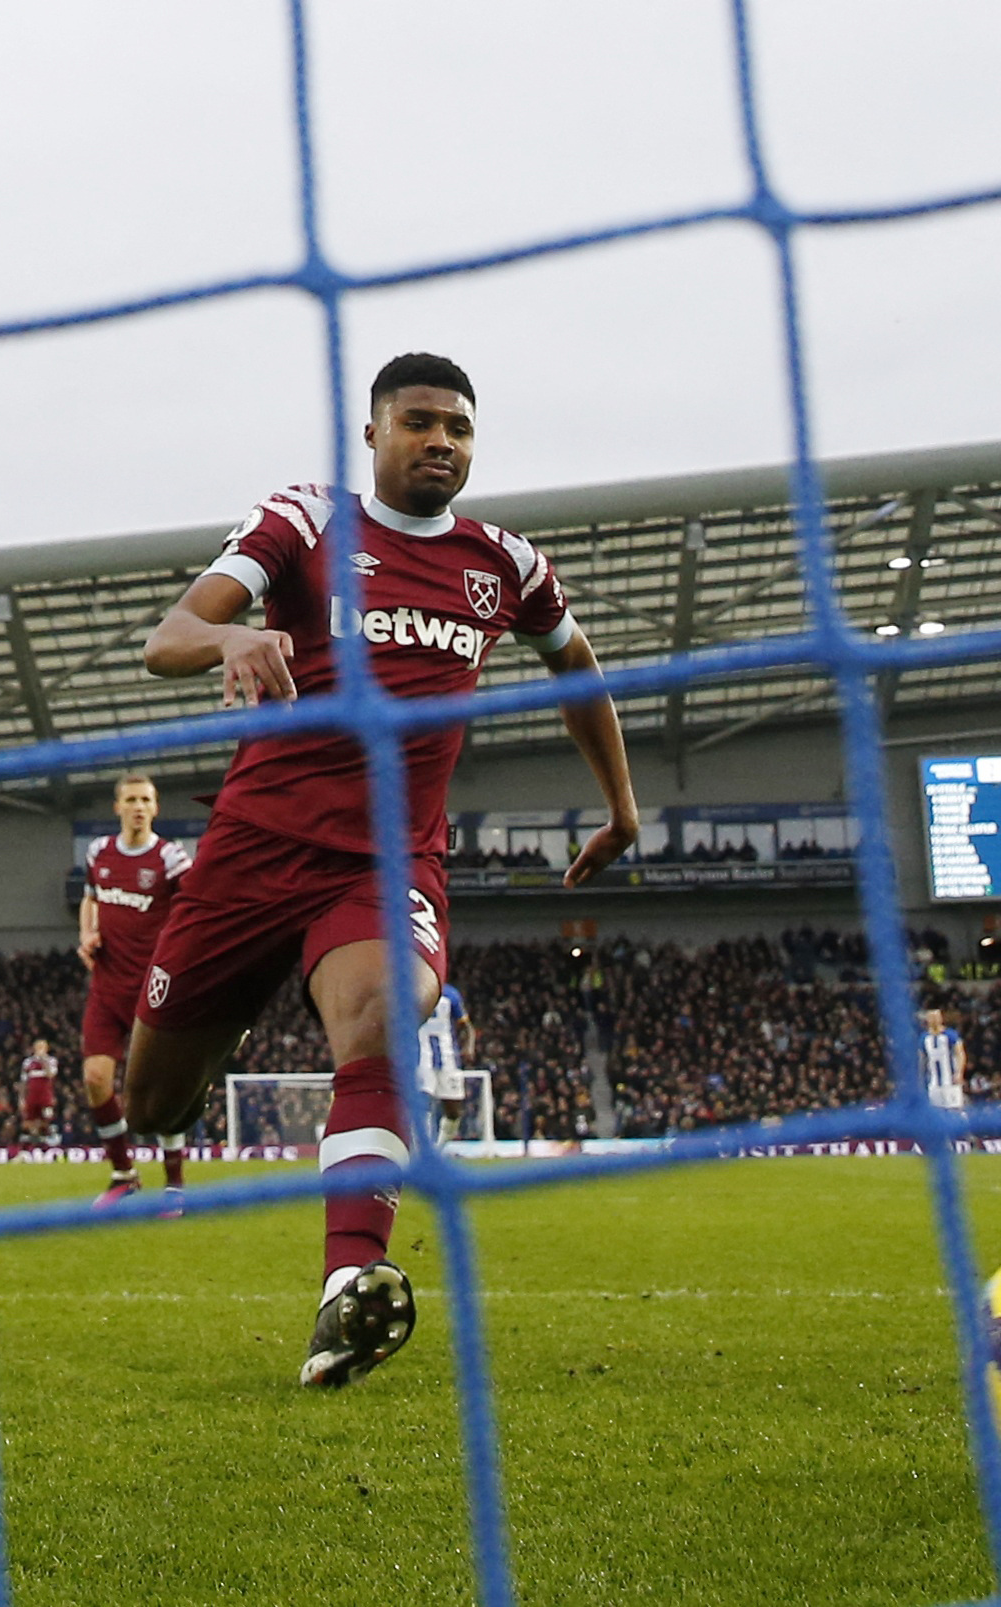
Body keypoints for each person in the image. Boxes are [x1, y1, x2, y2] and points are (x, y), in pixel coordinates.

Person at [124, 352, 640, 1388]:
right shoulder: (309, 522)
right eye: (419, 422)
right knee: (153, 1104)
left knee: (385, 1015)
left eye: (458, 426)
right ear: (374, 435)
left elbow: (576, 668)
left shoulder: (507, 564)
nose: (441, 440)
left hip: (386, 861)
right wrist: (228, 638)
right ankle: (240, 1016)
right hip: (250, 854)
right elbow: (167, 635)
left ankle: (348, 1290)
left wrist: (622, 805)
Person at [78, 773, 193, 1209]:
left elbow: (192, 910)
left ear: (156, 807)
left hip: (153, 989)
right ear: (118, 807)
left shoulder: (170, 857)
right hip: (107, 986)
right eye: (131, 799)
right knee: (95, 1079)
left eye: (146, 799)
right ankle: (123, 1174)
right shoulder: (99, 853)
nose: (139, 806)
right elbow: (91, 898)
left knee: (160, 1089)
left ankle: (174, 1185)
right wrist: (88, 933)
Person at [418, 981, 477, 1145]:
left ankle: (438, 1149)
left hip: (449, 1058)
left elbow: (467, 1026)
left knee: (453, 1112)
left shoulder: (450, 994)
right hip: (421, 1059)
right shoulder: (411, 991)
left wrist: (469, 1046)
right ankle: (423, 1152)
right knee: (423, 1106)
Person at [920, 1007, 967, 1110]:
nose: (934, 1020)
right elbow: (921, 1059)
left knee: (955, 1110)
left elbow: (960, 1054)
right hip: (933, 1083)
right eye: (931, 1017)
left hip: (951, 1081)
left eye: (937, 1017)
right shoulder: (924, 1038)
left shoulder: (950, 1034)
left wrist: (959, 1072)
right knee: (936, 1111)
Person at [18, 1038, 59, 1149]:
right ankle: (28, 1147)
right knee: (29, 1122)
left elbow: (51, 1075)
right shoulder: (27, 1062)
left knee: (47, 1118)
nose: (40, 1049)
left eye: (43, 1047)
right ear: (34, 1049)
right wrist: (21, 1099)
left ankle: (48, 1146)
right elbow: (23, 1082)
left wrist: (43, 1060)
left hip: (45, 1095)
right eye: (38, 1047)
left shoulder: (51, 1061)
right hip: (32, 1095)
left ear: (46, 1049)